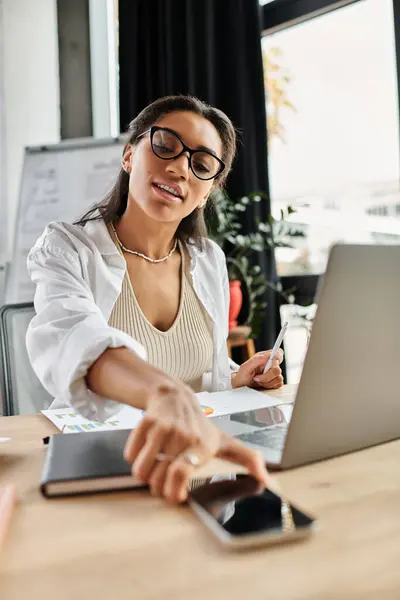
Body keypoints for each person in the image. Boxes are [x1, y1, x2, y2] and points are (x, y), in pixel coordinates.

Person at [26, 95, 284, 504]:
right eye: (166, 145)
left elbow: (199, 371)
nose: (180, 167)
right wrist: (164, 394)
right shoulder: (67, 248)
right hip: (101, 469)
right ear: (130, 155)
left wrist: (237, 378)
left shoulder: (208, 260)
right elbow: (72, 336)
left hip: (196, 464)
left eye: (201, 165)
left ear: (206, 193)